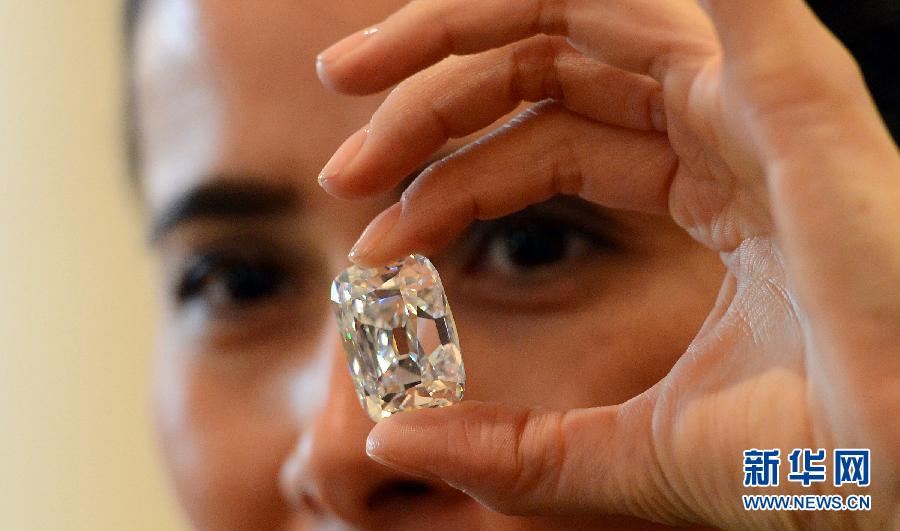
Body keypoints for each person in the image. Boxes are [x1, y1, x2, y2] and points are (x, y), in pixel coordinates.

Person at [128, 0, 899, 528]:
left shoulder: (834, 466)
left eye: (530, 245)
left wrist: (870, 489)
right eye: (237, 281)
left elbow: (849, 470)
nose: (342, 443)